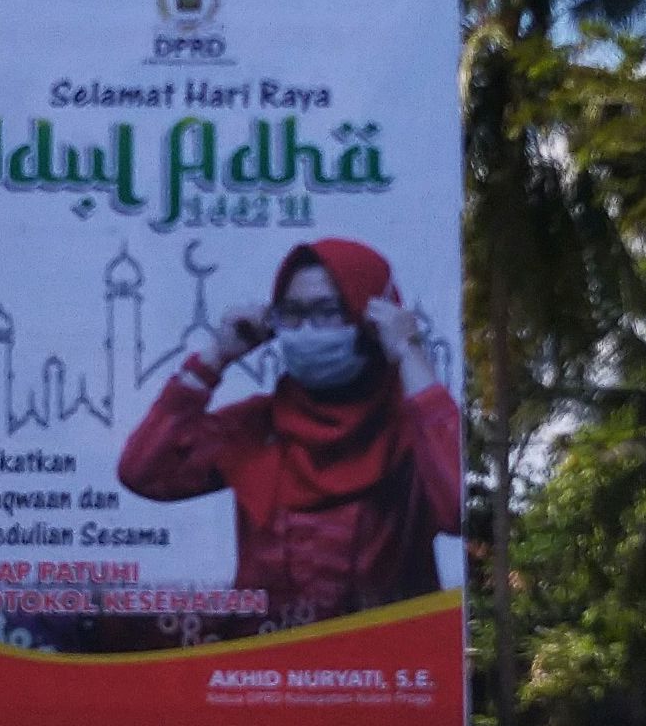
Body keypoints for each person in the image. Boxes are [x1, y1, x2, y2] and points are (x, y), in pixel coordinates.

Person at [117, 238, 460, 632]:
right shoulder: (260, 426)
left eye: (328, 311)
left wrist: (408, 352)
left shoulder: (413, 431)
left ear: (372, 319)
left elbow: (457, 511)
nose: (307, 330)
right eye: (292, 314)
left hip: (379, 675)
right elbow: (142, 472)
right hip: (259, 673)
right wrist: (215, 357)